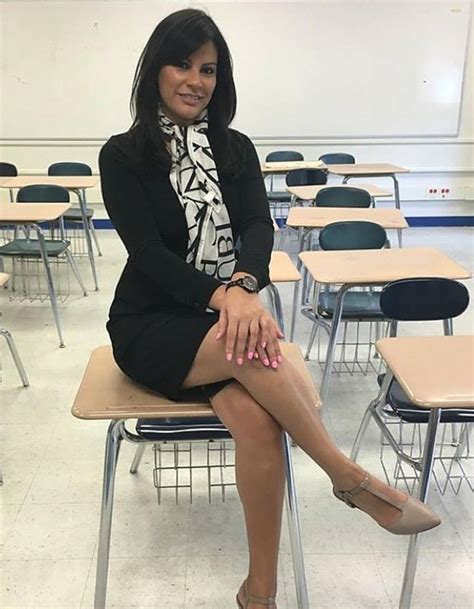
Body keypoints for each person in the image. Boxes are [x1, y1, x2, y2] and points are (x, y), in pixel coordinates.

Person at [99, 8, 440, 609]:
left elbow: (259, 222)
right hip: (152, 321)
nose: (194, 79)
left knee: (258, 420)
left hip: (225, 315)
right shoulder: (124, 155)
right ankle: (347, 476)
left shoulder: (235, 148)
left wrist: (245, 282)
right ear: (154, 68)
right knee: (254, 345)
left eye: (208, 69)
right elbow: (147, 253)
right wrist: (229, 296)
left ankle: (259, 593)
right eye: (181, 64)